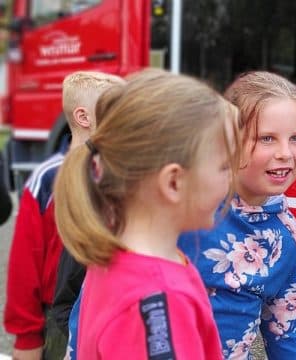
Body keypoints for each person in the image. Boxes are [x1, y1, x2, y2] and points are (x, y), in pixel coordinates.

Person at [53, 69, 240, 358]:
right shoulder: (159, 298)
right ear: (174, 182)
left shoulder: (115, 255)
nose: (232, 179)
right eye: (224, 167)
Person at [178, 71, 296, 359]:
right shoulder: (184, 211)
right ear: (228, 141)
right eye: (267, 138)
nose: (285, 153)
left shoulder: (287, 234)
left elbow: (287, 330)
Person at [3, 71, 124, 360]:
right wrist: (27, 338)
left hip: (109, 312)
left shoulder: (123, 175)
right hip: (58, 321)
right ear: (84, 117)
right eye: (118, 110)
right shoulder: (48, 179)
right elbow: (25, 266)